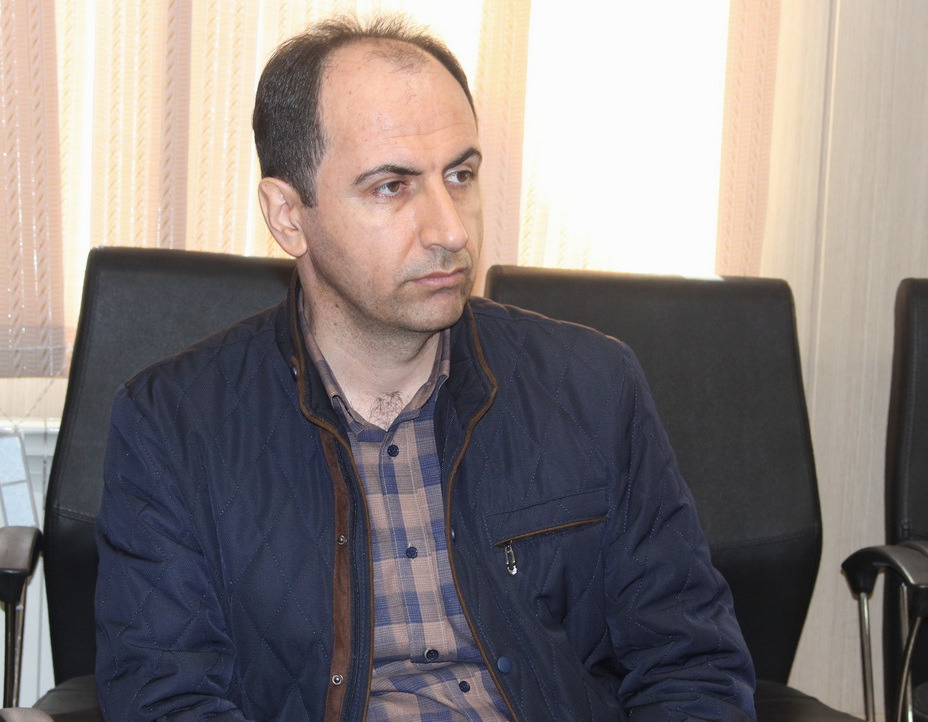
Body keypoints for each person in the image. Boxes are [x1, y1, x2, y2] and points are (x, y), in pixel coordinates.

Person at [94, 14, 756, 721]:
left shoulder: (592, 387)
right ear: (288, 215)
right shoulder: (175, 424)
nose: (451, 230)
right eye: (392, 186)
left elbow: (691, 663)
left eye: (460, 175)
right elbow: (166, 698)